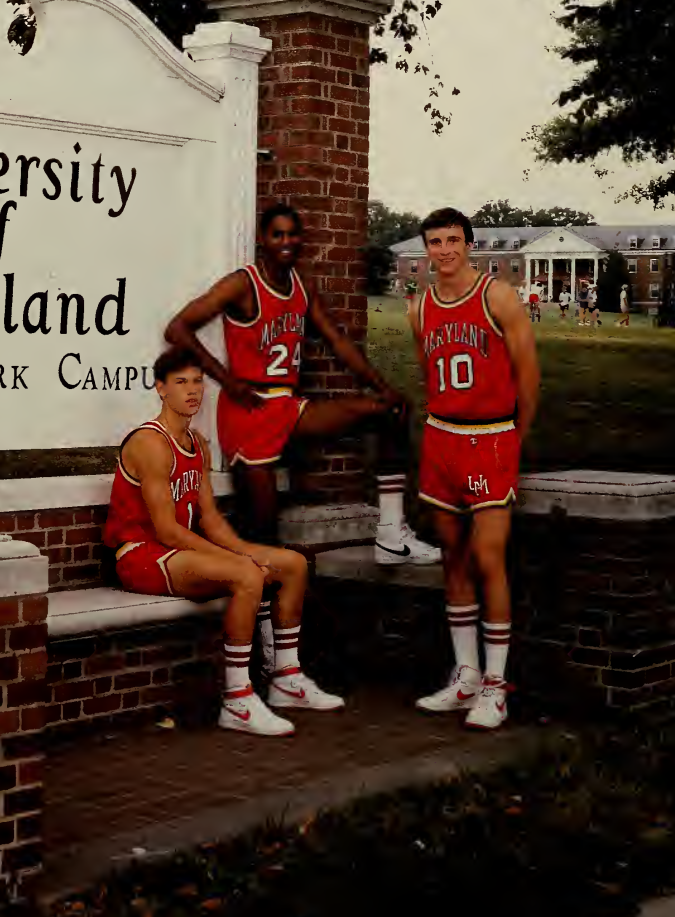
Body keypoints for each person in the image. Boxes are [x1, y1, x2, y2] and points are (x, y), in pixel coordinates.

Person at [164, 204, 440, 570]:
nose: (286, 241)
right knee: (262, 537)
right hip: (249, 412)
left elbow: (337, 342)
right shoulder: (243, 284)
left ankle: (391, 535)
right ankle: (260, 623)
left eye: (292, 234)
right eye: (277, 234)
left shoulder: (300, 286)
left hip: (287, 407)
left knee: (390, 410)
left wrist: (382, 387)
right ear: (263, 239)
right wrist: (228, 381)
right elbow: (178, 328)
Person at [102, 346, 344, 737]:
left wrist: (247, 551)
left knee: (293, 565)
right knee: (247, 576)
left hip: (179, 552)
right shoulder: (150, 443)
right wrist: (242, 563)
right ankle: (238, 700)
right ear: (161, 389)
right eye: (181, 382)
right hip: (141, 555)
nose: (192, 390)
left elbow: (210, 519)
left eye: (198, 381)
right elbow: (166, 529)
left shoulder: (198, 444)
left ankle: (286, 678)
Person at [408, 207, 540, 730]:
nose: (444, 250)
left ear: (469, 244)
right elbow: (428, 375)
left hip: (490, 438)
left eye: (453, 240)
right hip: (442, 438)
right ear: (426, 248)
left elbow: (528, 377)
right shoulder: (418, 308)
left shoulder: (497, 296)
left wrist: (513, 438)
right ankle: (464, 676)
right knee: (453, 557)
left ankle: (496, 686)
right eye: (435, 242)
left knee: (489, 557)